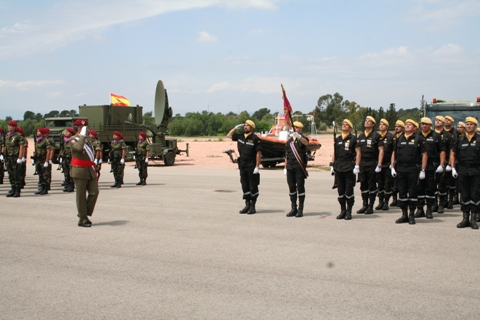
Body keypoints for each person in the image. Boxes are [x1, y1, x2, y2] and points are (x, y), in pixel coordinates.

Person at [391, 119, 427, 225]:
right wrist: (393, 167)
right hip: (401, 169)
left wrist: (423, 170)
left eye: (409, 124)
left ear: (415, 128)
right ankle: (404, 215)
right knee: (402, 193)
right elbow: (394, 153)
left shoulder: (419, 139)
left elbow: (424, 155)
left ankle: (411, 214)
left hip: (413, 169)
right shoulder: (399, 138)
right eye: (406, 124)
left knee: (412, 192)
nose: (407, 126)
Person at [450, 117, 480, 229]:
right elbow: (453, 154)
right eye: (467, 124)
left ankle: (473, 218)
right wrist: (453, 168)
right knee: (464, 194)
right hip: (462, 170)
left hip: (476, 170)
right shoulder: (460, 140)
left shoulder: (479, 139)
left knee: (475, 194)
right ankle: (465, 218)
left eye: (471, 124)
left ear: (475, 126)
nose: (468, 126)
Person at [227, 120, 262, 214]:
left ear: (252, 128)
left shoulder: (255, 138)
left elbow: (258, 153)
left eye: (248, 125)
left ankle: (252, 206)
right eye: (245, 125)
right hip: (242, 165)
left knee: (253, 185)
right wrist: (235, 128)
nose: (245, 127)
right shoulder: (240, 136)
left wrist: (257, 166)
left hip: (251, 165)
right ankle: (247, 204)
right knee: (244, 184)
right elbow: (229, 135)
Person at [414, 117, 446, 219]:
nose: (424, 126)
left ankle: (429, 209)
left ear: (430, 125)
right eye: (422, 124)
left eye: (426, 124)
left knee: (431, 188)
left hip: (431, 165)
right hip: (418, 165)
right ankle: (420, 209)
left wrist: (441, 165)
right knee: (419, 188)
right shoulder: (416, 135)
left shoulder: (436, 136)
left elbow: (442, 151)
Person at [70, 120, 99, 227]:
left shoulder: (87, 140)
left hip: (89, 169)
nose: (88, 130)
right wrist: (82, 136)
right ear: (79, 129)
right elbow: (78, 148)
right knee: (81, 195)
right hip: (79, 170)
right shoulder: (73, 139)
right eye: (85, 128)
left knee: (94, 192)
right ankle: (82, 219)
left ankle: (83, 212)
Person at [331, 119, 360, 220]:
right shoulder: (338, 139)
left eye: (346, 124)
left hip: (349, 167)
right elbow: (335, 153)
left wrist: (357, 166)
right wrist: (332, 165)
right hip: (339, 167)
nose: (343, 125)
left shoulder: (353, 139)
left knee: (349, 191)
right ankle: (342, 210)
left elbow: (358, 153)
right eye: (343, 124)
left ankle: (349, 211)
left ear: (350, 128)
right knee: (340, 191)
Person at [356, 116, 384, 214]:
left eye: (369, 121)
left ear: (373, 124)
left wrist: (379, 165)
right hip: (363, 163)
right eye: (366, 120)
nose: (367, 122)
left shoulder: (376, 135)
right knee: (363, 184)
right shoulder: (361, 136)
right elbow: (358, 151)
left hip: (372, 162)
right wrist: (357, 165)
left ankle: (371, 205)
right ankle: (365, 204)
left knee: (372, 184)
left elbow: (381, 150)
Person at [284, 121, 309, 218]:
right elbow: (286, 155)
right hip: (290, 166)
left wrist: (298, 137)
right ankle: (293, 208)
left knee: (300, 187)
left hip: (299, 166)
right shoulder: (289, 141)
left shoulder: (302, 139)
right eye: (294, 127)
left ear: (300, 129)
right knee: (291, 187)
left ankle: (300, 209)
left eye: (297, 127)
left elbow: (306, 143)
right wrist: (285, 167)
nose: (295, 129)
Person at [434, 116, 454, 212]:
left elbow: (451, 151)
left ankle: (441, 204)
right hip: (432, 163)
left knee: (442, 185)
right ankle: (433, 204)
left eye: (439, 121)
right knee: (432, 185)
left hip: (443, 163)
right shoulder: (431, 134)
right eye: (436, 120)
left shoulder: (448, 136)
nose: (437, 122)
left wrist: (450, 164)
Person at [376, 119, 394, 210]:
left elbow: (394, 151)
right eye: (380, 124)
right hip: (379, 165)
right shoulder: (377, 137)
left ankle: (386, 202)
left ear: (387, 127)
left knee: (387, 184)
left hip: (387, 164)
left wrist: (392, 164)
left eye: (383, 124)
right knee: (380, 184)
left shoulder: (391, 136)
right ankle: (380, 202)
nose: (381, 126)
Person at [4, 121, 25, 198]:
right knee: (10, 174)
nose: (9, 127)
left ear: (14, 127)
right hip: (8, 157)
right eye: (8, 125)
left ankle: (17, 190)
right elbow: (5, 146)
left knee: (16, 174)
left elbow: (22, 147)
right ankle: (12, 189)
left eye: (11, 126)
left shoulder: (18, 135)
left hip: (15, 157)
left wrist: (20, 157)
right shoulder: (7, 135)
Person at [34, 127, 54, 195]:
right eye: (37, 131)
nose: (37, 133)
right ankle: (41, 188)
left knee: (45, 175)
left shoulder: (46, 140)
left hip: (44, 159)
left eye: (39, 131)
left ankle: (45, 189)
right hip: (39, 160)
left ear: (42, 133)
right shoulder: (38, 140)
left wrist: (47, 160)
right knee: (40, 174)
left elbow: (48, 151)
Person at [390, 120, 405, 206]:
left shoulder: (403, 137)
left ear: (402, 128)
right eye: (396, 126)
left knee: (400, 182)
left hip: (401, 162)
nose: (396, 127)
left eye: (398, 126)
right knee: (393, 183)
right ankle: (394, 199)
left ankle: (401, 198)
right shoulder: (393, 137)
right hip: (393, 161)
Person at [59, 128, 76, 192]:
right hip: (65, 158)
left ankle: (71, 186)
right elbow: (63, 149)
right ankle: (67, 184)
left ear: (71, 134)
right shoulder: (65, 141)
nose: (66, 133)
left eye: (67, 132)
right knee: (66, 172)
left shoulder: (73, 141)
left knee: (71, 172)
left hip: (71, 159)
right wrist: (61, 156)